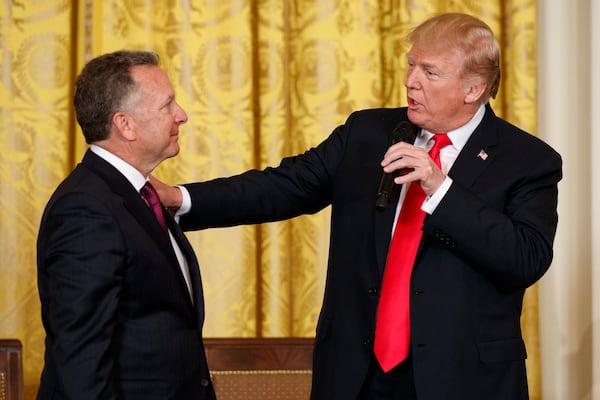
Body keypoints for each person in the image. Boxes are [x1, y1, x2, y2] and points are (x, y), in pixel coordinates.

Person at [155, 13, 562, 399]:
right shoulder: (368, 132)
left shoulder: (526, 160)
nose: (410, 82)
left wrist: (441, 189)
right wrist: (180, 198)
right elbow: (283, 186)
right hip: (357, 374)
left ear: (473, 89)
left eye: (429, 72)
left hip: (462, 378)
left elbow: (526, 257)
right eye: (410, 65)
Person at [36, 50, 216, 400]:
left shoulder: (139, 196)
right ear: (125, 124)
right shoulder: (85, 210)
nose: (182, 115)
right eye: (167, 105)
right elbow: (81, 360)